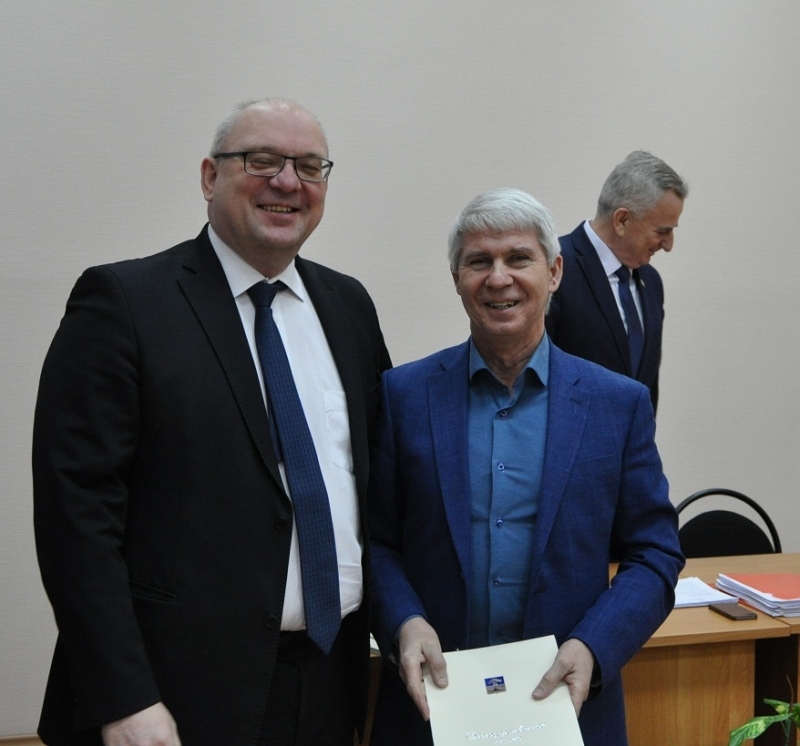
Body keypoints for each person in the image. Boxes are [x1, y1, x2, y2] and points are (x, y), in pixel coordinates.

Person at [33, 98, 391, 746]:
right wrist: (124, 698)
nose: (288, 181)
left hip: (329, 687)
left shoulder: (348, 307)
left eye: (310, 166)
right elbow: (75, 520)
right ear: (209, 176)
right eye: (262, 160)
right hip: (171, 702)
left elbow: (375, 494)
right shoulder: (125, 305)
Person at [368, 187, 684, 746]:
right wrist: (403, 623)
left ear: (554, 271)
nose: (499, 278)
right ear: (456, 278)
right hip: (431, 710)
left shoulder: (617, 404)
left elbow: (655, 554)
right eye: (478, 262)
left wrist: (594, 645)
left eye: (518, 258)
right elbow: (376, 543)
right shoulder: (404, 395)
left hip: (568, 707)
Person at [545, 151, 688, 413]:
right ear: (622, 220)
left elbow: (646, 385)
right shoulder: (554, 269)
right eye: (662, 231)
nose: (668, 245)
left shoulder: (651, 282)